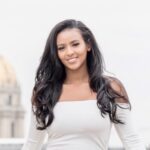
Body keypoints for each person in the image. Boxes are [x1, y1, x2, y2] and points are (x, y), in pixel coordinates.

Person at [21, 19, 145, 150]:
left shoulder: (111, 88)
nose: (69, 52)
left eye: (75, 44)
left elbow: (132, 141)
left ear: (88, 45)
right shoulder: (44, 92)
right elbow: (32, 144)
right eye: (61, 48)